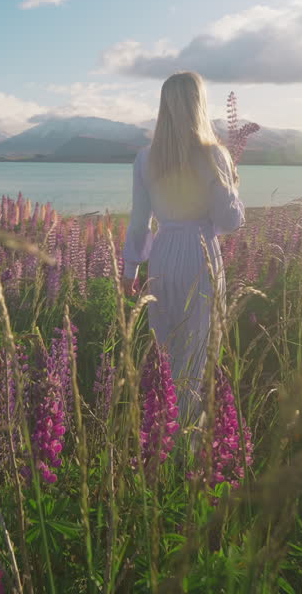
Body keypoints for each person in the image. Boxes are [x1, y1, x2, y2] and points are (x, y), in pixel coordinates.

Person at [123, 71, 246, 425]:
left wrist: (131, 269)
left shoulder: (146, 158)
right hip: (201, 255)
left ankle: (161, 433)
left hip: (161, 257)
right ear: (199, 105)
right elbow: (230, 220)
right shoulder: (214, 156)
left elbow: (139, 220)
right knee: (198, 353)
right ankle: (190, 442)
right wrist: (232, 188)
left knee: (165, 351)